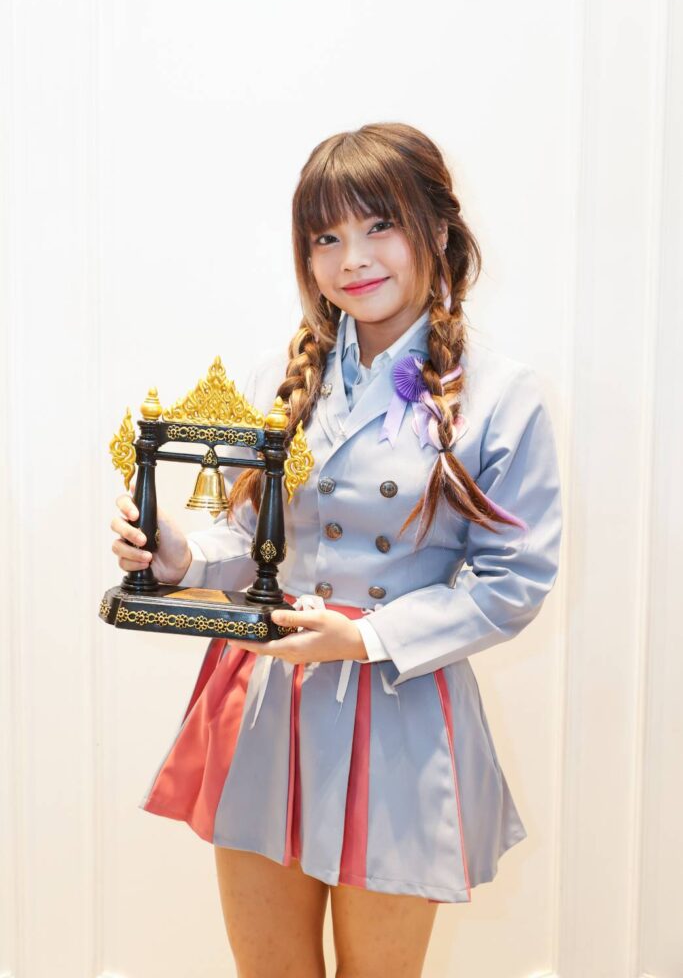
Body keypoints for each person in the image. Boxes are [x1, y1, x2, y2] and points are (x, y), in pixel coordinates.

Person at [110, 122, 562, 978]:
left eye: (378, 225)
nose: (352, 258)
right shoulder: (277, 376)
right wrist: (177, 559)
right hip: (265, 699)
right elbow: (252, 542)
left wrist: (361, 637)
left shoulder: (503, 396)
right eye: (325, 237)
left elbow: (514, 581)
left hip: (398, 709)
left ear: (437, 229)